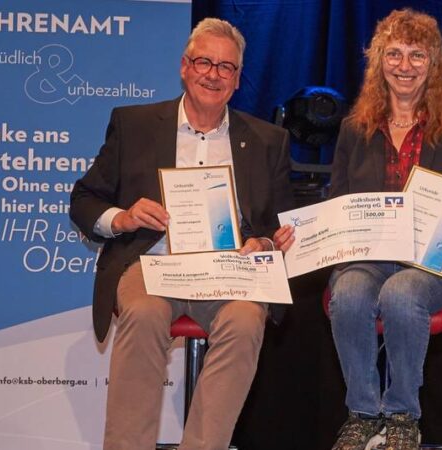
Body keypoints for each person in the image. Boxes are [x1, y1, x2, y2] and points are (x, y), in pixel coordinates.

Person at [69, 18, 293, 450]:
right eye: (204, 62)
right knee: (145, 312)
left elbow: (281, 224)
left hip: (229, 273)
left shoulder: (268, 140)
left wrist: (263, 243)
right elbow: (84, 200)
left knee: (247, 320)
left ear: (238, 79)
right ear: (184, 67)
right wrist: (124, 217)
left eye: (226, 67)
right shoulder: (134, 124)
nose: (213, 74)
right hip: (153, 264)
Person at [285, 9, 442, 450]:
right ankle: (361, 413)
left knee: (402, 292)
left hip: (439, 261)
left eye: (417, 55)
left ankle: (401, 418)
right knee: (351, 292)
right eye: (393, 54)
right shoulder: (354, 129)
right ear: (378, 62)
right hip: (369, 257)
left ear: (434, 64)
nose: (405, 65)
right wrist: (316, 233)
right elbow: (338, 202)